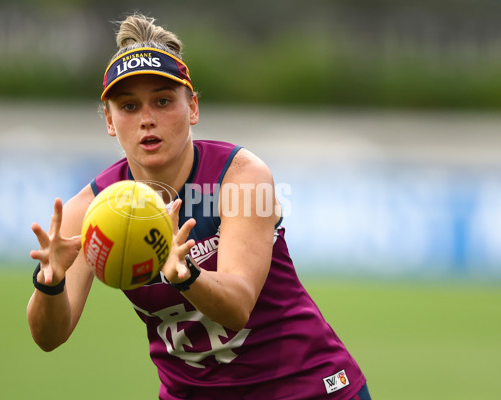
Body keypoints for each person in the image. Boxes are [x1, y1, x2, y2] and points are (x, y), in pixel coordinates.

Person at [27, 14, 371, 400]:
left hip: (305, 387)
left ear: (192, 108)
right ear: (109, 120)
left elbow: (237, 304)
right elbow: (49, 337)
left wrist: (186, 276)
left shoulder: (239, 177)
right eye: (128, 106)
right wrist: (50, 283)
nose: (147, 120)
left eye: (162, 101)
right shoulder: (92, 209)